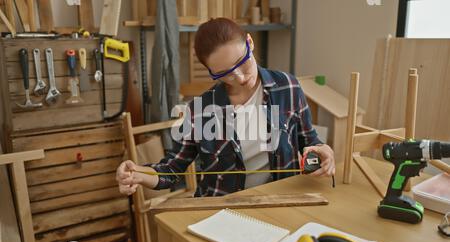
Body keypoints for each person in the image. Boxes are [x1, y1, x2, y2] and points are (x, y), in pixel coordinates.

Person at [116, 18, 335, 197]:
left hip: (280, 200)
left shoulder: (287, 86)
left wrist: (323, 152)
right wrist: (138, 174)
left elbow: (310, 141)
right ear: (211, 72)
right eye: (224, 73)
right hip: (222, 210)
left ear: (250, 43)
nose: (239, 77)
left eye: (242, 62)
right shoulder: (200, 110)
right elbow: (173, 168)